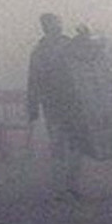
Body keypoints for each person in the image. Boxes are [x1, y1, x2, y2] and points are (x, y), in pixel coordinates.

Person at [26, 13, 82, 200]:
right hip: (55, 104)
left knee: (74, 144)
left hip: (71, 102)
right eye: (53, 24)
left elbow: (89, 55)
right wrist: (33, 106)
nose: (56, 26)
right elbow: (33, 81)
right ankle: (62, 188)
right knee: (60, 145)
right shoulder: (41, 52)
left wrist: (86, 37)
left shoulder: (69, 45)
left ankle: (70, 186)